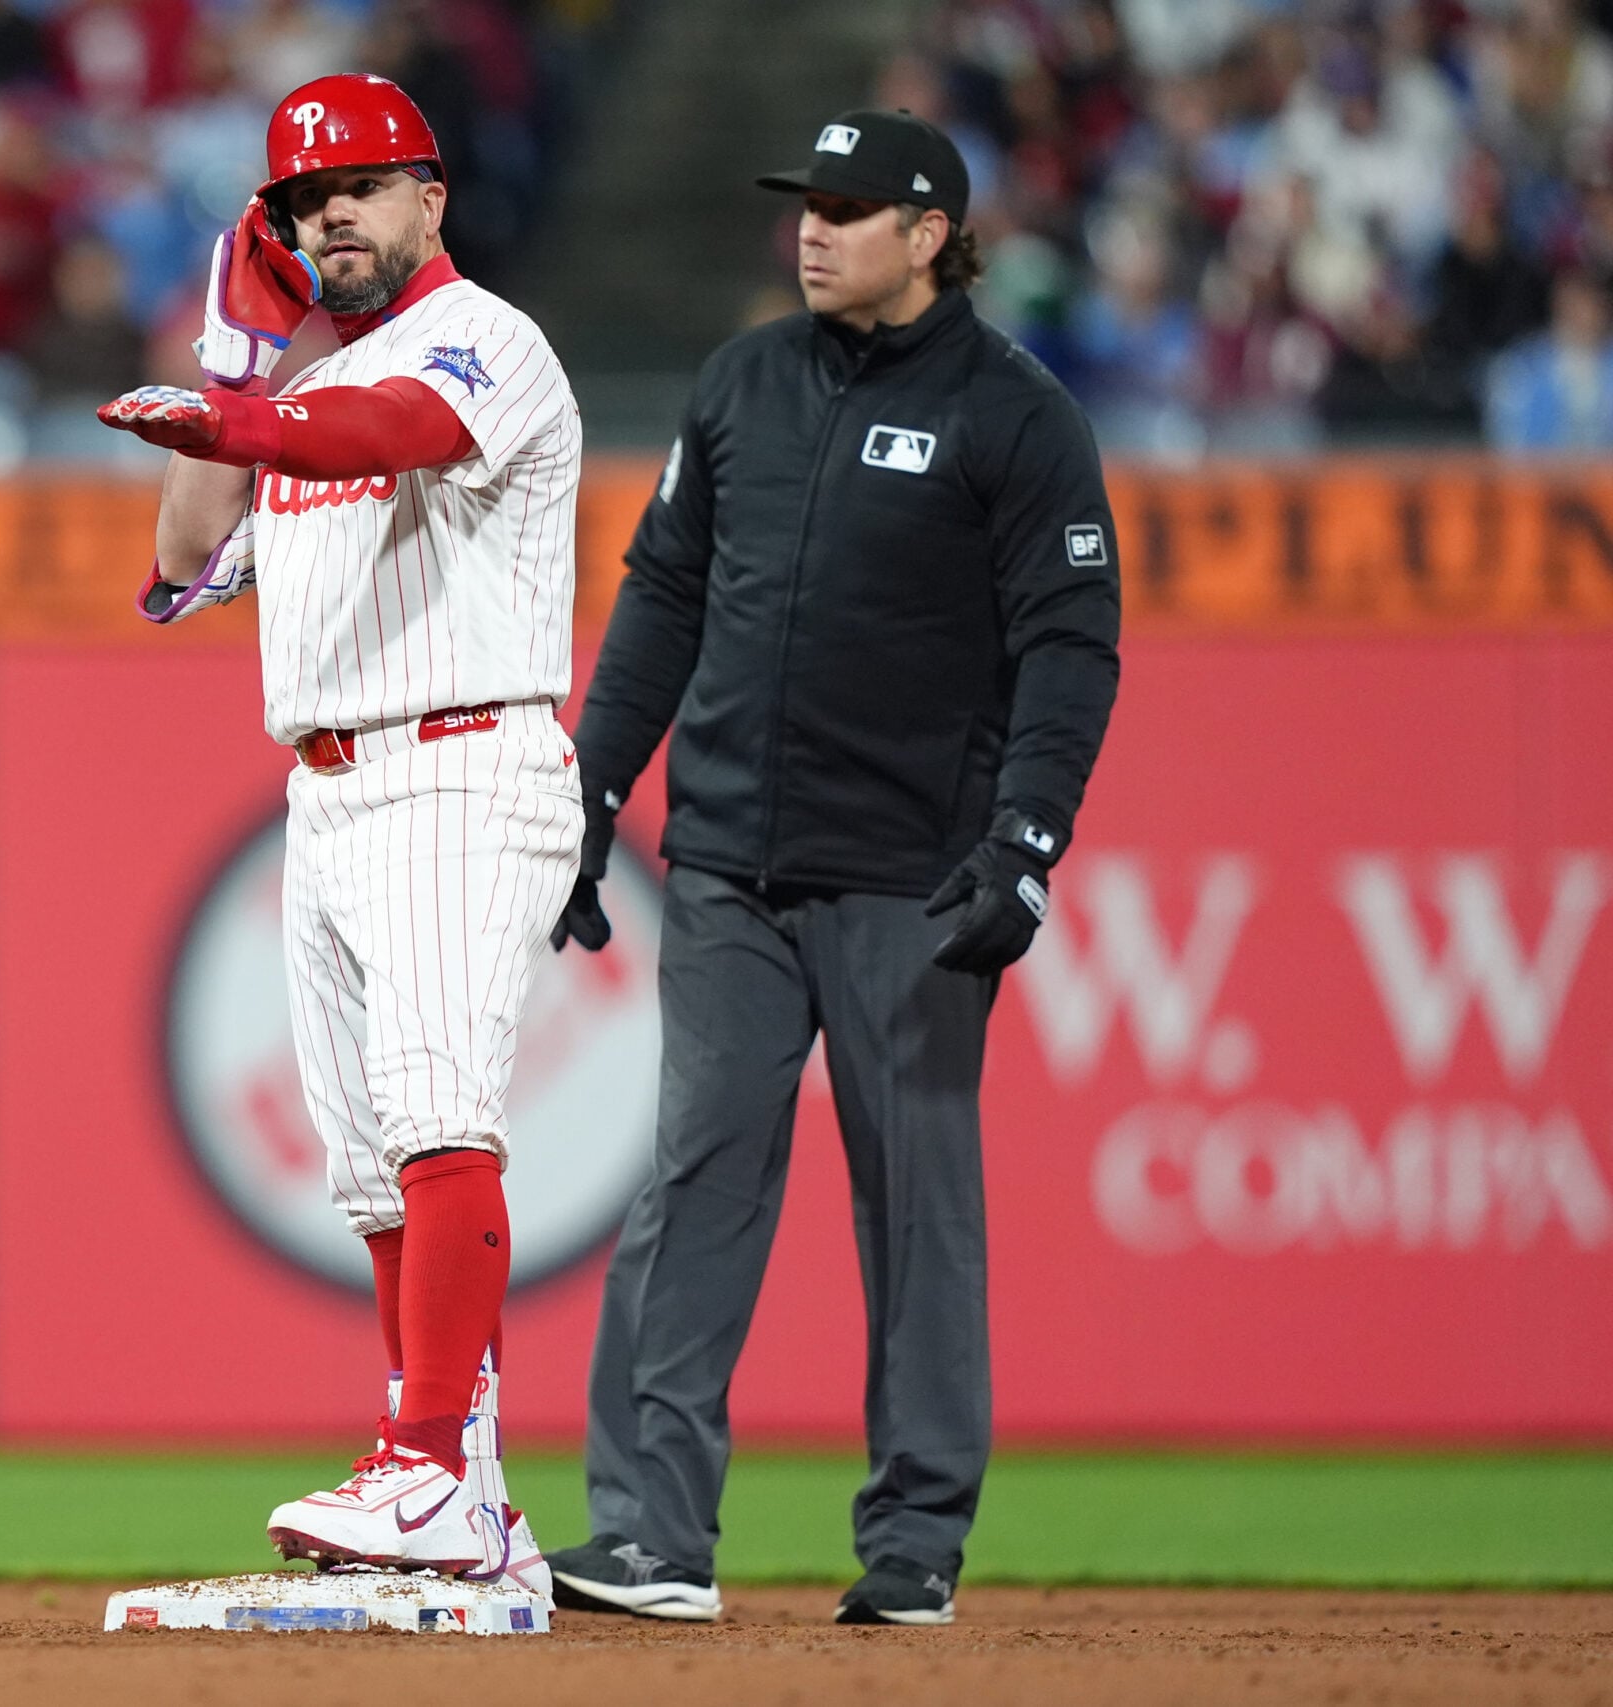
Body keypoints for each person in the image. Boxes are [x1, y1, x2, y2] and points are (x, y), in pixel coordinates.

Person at [541, 110, 1122, 1626]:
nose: (812, 228)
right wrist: (592, 791)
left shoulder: (1016, 415)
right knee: (693, 1181)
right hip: (730, 861)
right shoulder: (743, 382)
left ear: (930, 237)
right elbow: (663, 596)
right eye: (806, 201)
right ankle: (656, 1537)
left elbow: (1071, 648)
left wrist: (1028, 842)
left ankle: (916, 1543)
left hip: (911, 882)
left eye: (851, 208)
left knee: (915, 1202)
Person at [97, 71, 581, 1589]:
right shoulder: (288, 387)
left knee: (440, 1118)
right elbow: (183, 562)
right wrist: (234, 363)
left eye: (362, 186)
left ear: (431, 197)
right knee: (374, 1169)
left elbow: (391, 429)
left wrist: (245, 412)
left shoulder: (486, 342)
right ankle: (470, 1503)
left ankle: (428, 1468)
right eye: (307, 200)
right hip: (328, 785)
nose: (333, 216)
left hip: (461, 759)